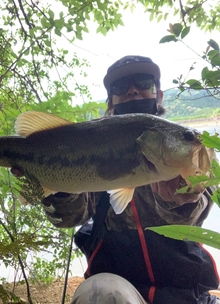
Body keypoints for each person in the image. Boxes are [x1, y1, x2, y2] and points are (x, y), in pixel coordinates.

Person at [13, 56, 220, 304]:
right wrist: (53, 180)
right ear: (110, 102)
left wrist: (181, 198)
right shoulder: (89, 144)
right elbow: (67, 218)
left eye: (144, 82)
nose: (133, 90)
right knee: (100, 292)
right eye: (120, 87)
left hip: (187, 294)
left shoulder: (193, 157)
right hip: (115, 290)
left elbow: (195, 215)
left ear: (160, 95)